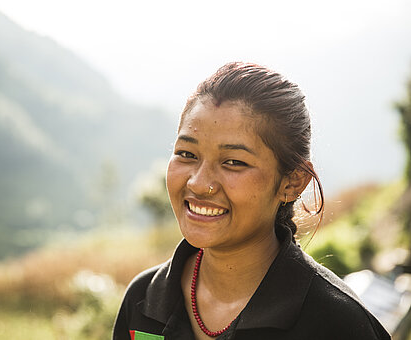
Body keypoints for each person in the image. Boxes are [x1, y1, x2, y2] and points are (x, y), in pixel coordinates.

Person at [112, 62, 391, 339]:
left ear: (292, 182)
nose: (198, 183)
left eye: (233, 162)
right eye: (187, 154)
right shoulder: (142, 301)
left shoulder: (337, 323)